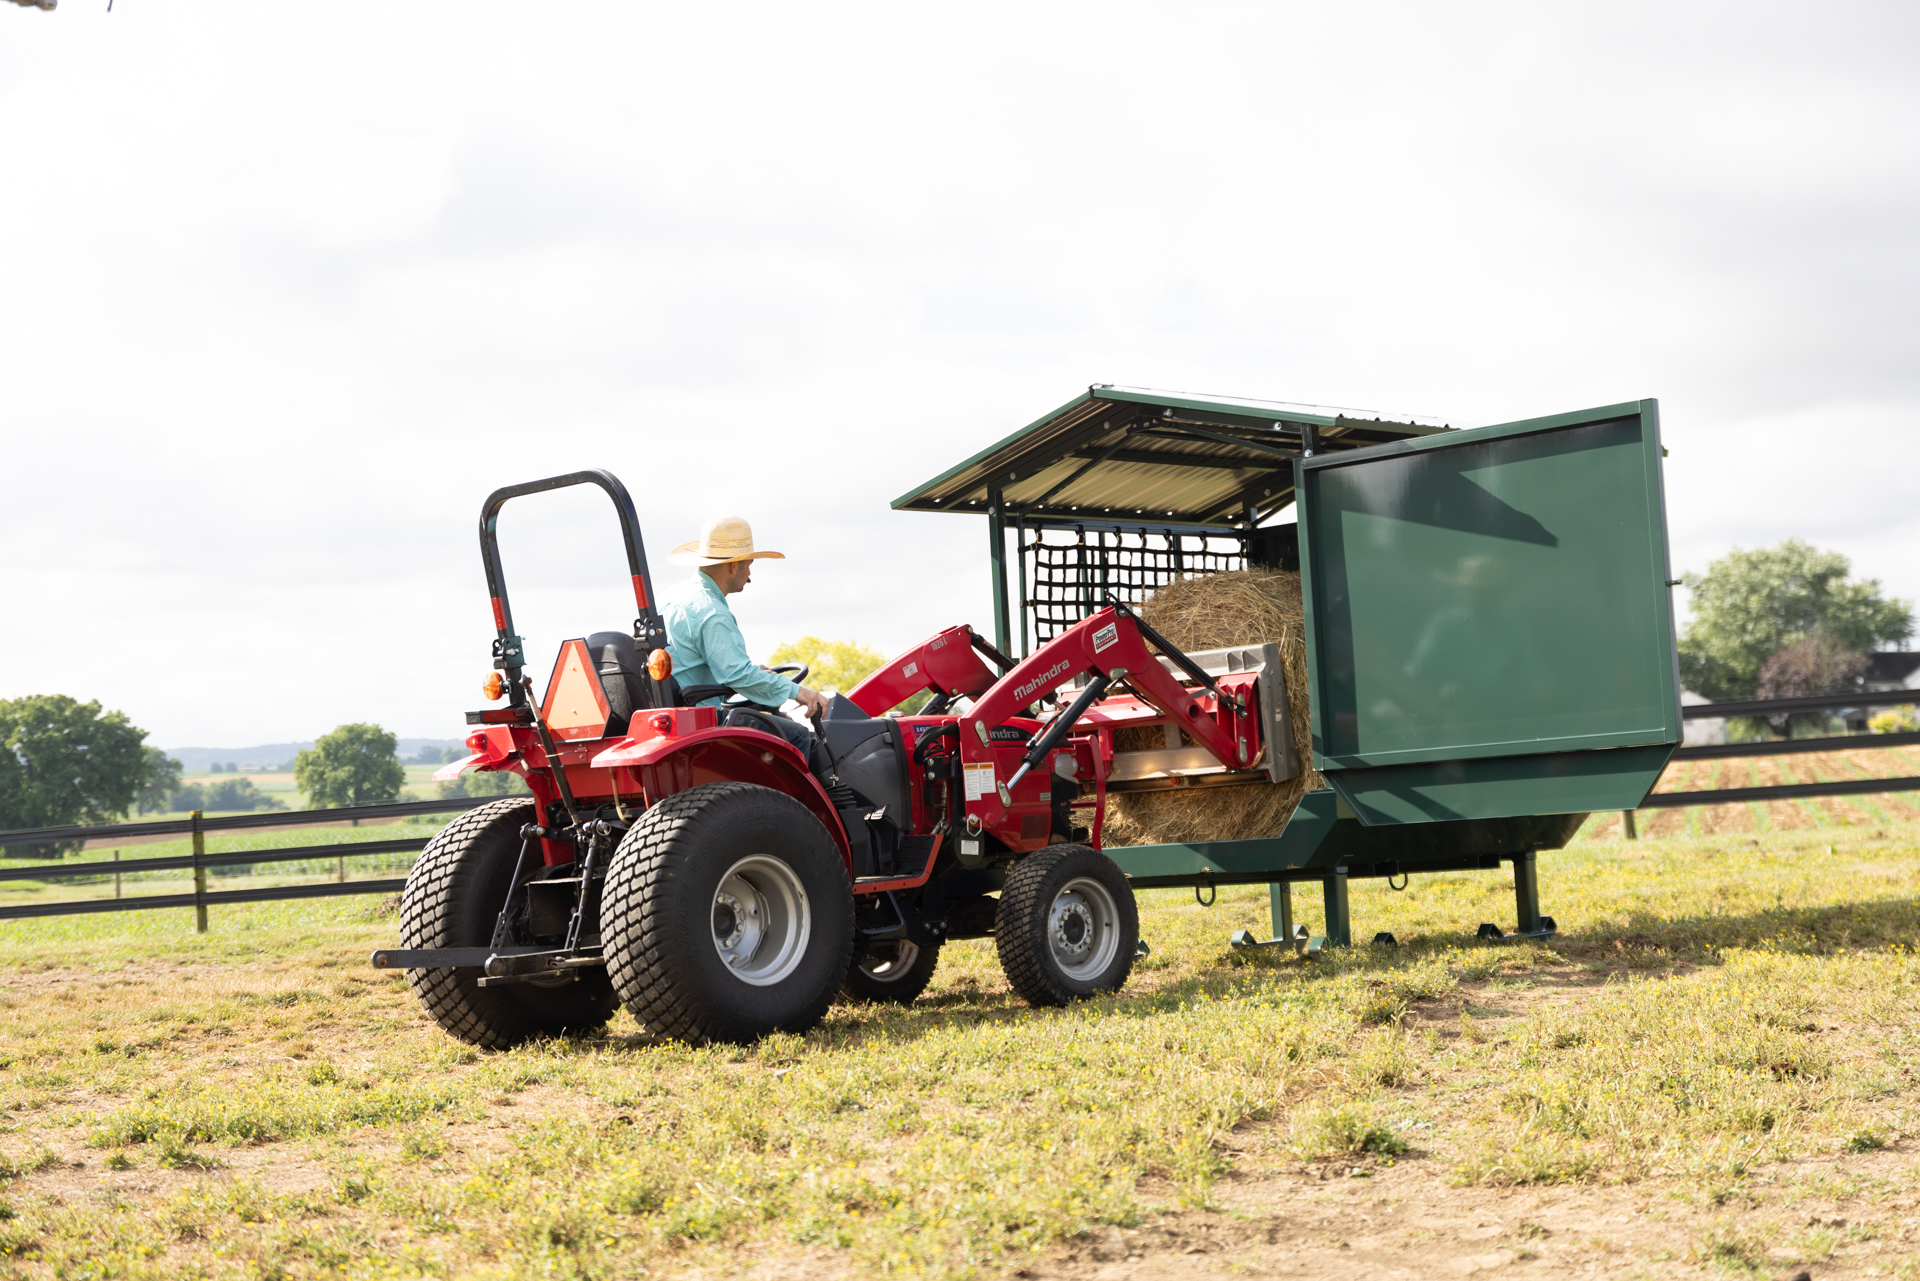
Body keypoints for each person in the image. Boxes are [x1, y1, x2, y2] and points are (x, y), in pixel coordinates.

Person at [663, 515, 831, 771]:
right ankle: (786, 810)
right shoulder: (712, 612)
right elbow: (737, 674)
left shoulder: (674, 597)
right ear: (733, 565)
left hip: (674, 715)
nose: (750, 574)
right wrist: (802, 693)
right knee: (796, 736)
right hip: (702, 721)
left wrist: (757, 675)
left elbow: (701, 663)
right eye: (749, 564)